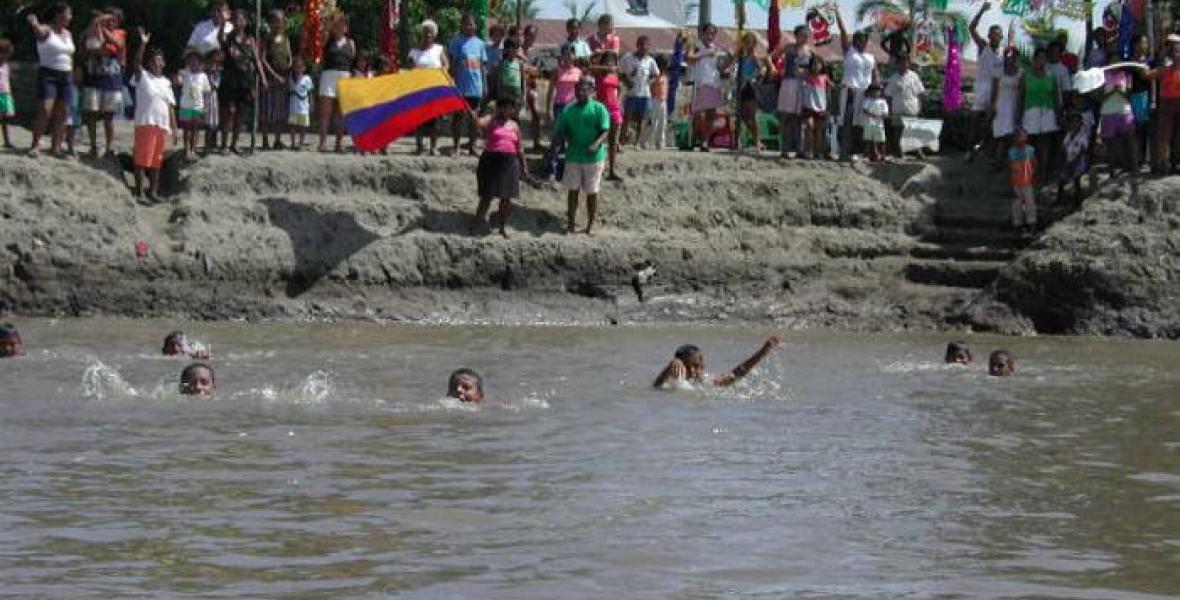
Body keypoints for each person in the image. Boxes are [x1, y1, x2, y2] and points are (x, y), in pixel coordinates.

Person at [556, 76, 610, 234]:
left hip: (594, 158)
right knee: (573, 191)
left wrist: (596, 143)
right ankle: (571, 223)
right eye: (578, 89)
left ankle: (590, 225)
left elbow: (605, 130)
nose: (581, 92)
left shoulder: (599, 109)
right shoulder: (568, 110)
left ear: (592, 91)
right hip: (573, 156)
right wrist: (562, 142)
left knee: (592, 192)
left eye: (584, 89)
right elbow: (562, 130)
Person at [131, 27, 176, 203]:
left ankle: (153, 191)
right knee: (142, 159)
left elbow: (171, 106)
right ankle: (139, 191)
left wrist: (174, 128)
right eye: (154, 60)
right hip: (145, 122)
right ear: (149, 63)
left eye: (160, 60)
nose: (157, 63)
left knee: (157, 161)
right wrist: (142, 44)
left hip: (162, 125)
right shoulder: (143, 77)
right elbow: (136, 64)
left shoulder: (166, 82)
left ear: (164, 63)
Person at [26, 3, 75, 159]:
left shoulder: (68, 34)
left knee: (63, 112)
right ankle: (35, 145)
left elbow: (70, 54)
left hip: (66, 74)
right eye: (68, 14)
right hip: (48, 74)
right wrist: (34, 23)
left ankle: (56, 147)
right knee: (45, 109)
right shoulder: (47, 30)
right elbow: (39, 33)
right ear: (59, 15)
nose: (70, 17)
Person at [472, 98, 525, 237]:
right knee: (487, 195)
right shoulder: (492, 120)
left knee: (506, 198)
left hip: (510, 163)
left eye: (510, 108)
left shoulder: (515, 126)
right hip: (491, 161)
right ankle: (478, 223)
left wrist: (524, 166)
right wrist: (474, 116)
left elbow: (519, 148)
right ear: (499, 108)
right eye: (504, 107)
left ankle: (502, 226)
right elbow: (478, 122)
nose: (507, 111)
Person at [652, 335, 783, 389]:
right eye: (693, 366)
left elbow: (735, 374)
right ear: (680, 365)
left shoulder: (702, 380)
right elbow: (656, 386)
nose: (697, 369)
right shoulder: (671, 380)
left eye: (700, 365)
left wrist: (763, 351)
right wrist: (670, 366)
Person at [80, 8, 125, 159]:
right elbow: (85, 49)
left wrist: (103, 29)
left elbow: (117, 44)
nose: (111, 22)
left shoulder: (120, 33)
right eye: (108, 20)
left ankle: (109, 147)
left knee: (109, 116)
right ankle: (93, 146)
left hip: (111, 79)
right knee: (91, 113)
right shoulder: (92, 31)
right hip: (93, 77)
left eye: (114, 20)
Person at [834, 8, 877, 160]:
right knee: (847, 121)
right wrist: (837, 13)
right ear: (854, 41)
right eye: (859, 40)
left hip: (866, 92)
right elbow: (843, 31)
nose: (862, 43)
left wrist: (878, 91)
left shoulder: (871, 57)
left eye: (864, 40)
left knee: (864, 123)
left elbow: (875, 75)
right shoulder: (849, 51)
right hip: (851, 90)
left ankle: (862, 152)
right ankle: (844, 153)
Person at [218, 10, 263, 155]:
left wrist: (263, 77)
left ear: (245, 22)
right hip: (231, 80)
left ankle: (234, 144)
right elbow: (220, 38)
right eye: (236, 19)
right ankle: (224, 144)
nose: (239, 22)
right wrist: (223, 24)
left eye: (241, 20)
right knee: (229, 113)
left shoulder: (250, 39)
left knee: (241, 114)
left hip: (246, 81)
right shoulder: (228, 38)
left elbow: (256, 60)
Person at [1097, 55, 1140, 195]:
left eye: (1117, 61)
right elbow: (1099, 96)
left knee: (1130, 140)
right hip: (1108, 112)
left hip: (1124, 111)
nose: (1114, 64)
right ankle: (1112, 171)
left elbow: (1129, 94)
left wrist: (1119, 90)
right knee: (1111, 144)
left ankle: (1134, 168)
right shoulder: (1102, 76)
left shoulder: (1126, 75)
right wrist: (1111, 92)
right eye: (1112, 61)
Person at [1016, 47, 1060, 185]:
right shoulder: (1025, 76)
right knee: (1029, 144)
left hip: (1047, 113)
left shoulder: (1052, 76)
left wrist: (1059, 114)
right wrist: (1018, 116)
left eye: (1044, 58)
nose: (1041, 61)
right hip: (1030, 113)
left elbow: (1057, 97)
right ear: (1034, 60)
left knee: (1045, 144)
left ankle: (1043, 173)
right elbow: (1020, 97)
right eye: (1039, 58)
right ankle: (1028, 173)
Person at [967, 2, 1004, 162]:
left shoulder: (1004, 53)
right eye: (993, 33)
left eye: (998, 34)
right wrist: (982, 11)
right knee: (975, 120)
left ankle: (986, 150)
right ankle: (969, 150)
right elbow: (972, 28)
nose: (995, 36)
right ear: (989, 36)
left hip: (998, 90)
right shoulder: (983, 46)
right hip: (982, 89)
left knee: (993, 122)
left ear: (1001, 36)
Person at [449, 12, 487, 157]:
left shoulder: (480, 44)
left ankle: (472, 146)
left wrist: (485, 85)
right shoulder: (456, 42)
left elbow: (483, 67)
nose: (469, 26)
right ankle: (456, 147)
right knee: (458, 118)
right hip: (460, 87)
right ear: (461, 25)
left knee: (474, 119)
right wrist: (451, 82)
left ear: (475, 26)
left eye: (471, 24)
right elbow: (452, 65)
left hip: (476, 87)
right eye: (466, 24)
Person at [687, 23, 729, 152]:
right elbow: (689, 58)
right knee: (698, 114)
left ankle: (705, 142)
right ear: (702, 33)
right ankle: (693, 139)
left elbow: (719, 67)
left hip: (713, 83)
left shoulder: (714, 48)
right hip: (700, 83)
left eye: (713, 34)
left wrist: (730, 59)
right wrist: (705, 53)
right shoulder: (696, 45)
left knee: (711, 114)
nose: (710, 36)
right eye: (708, 33)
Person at [316, 12, 355, 153]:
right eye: (338, 23)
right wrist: (330, 22)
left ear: (346, 27)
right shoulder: (327, 39)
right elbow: (321, 38)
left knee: (341, 113)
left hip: (344, 76)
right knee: (325, 112)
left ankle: (339, 143)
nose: (340, 26)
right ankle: (323, 142)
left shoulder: (351, 43)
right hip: (329, 75)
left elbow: (353, 61)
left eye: (343, 23)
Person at [409, 19, 448, 156]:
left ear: (434, 34)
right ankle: (419, 146)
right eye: (425, 32)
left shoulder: (439, 49)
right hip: (419, 90)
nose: (427, 35)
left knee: (435, 119)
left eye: (430, 32)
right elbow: (410, 70)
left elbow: (446, 67)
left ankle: (433, 147)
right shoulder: (414, 51)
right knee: (418, 119)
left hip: (435, 91)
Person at [544, 45, 583, 180]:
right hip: (559, 106)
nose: (567, 57)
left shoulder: (578, 72)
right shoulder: (557, 71)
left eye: (570, 55)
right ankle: (551, 170)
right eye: (565, 55)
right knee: (556, 138)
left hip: (573, 108)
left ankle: (569, 170)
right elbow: (550, 91)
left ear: (574, 56)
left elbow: (582, 91)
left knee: (572, 139)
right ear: (561, 56)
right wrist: (548, 109)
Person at [774, 25, 812, 159]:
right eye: (802, 35)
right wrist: (775, 70)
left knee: (800, 118)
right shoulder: (789, 47)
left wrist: (806, 72)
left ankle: (800, 149)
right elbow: (771, 56)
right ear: (796, 35)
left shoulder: (809, 51)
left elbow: (813, 68)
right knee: (786, 116)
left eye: (807, 35)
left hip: (803, 85)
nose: (805, 38)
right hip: (789, 83)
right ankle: (784, 149)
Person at [619, 35, 659, 149]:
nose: (644, 47)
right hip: (631, 93)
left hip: (645, 93)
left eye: (646, 45)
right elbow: (619, 70)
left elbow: (656, 74)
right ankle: (621, 142)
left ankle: (637, 142)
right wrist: (626, 80)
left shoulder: (650, 60)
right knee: (627, 118)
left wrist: (650, 81)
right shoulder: (628, 57)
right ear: (637, 45)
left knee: (642, 119)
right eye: (641, 45)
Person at [260, 8, 292, 150]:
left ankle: (278, 139)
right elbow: (263, 59)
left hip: (284, 78)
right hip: (271, 78)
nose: (279, 24)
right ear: (271, 23)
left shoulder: (285, 37)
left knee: (280, 110)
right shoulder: (267, 38)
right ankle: (265, 140)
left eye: (281, 21)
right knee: (267, 110)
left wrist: (290, 65)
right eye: (276, 21)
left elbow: (289, 54)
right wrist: (274, 75)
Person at [1148, 37, 1180, 174]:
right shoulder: (1164, 68)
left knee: (1178, 136)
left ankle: (1175, 163)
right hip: (1166, 103)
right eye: (1174, 51)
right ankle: (1163, 164)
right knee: (1164, 136)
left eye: (1178, 50)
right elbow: (1148, 75)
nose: (1176, 54)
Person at [590, 51, 623, 181]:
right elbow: (589, 66)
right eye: (607, 60)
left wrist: (618, 101)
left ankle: (612, 170)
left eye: (612, 61)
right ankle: (599, 168)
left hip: (614, 110)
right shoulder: (599, 74)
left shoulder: (614, 75)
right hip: (602, 110)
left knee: (613, 142)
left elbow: (619, 88)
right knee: (600, 140)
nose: (610, 63)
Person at [884, 54, 925, 158]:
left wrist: (920, 106)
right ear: (897, 65)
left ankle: (918, 151)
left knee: (913, 131)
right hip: (897, 108)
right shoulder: (893, 79)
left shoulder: (914, 76)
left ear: (908, 64)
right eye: (901, 63)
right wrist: (888, 110)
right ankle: (899, 152)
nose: (903, 66)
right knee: (898, 131)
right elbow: (888, 96)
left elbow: (920, 92)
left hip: (911, 108)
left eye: (905, 63)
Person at [990, 47, 1022, 169]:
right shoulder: (998, 71)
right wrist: (992, 106)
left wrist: (1019, 110)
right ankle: (997, 162)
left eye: (1014, 57)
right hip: (1000, 106)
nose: (1011, 59)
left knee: (1011, 136)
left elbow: (1021, 92)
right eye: (1008, 57)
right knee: (1000, 136)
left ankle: (1011, 165)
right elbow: (994, 91)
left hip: (1014, 106)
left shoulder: (1021, 73)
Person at [734, 31, 765, 153]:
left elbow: (761, 71)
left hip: (750, 86)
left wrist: (751, 77)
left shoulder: (754, 57)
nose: (748, 45)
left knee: (751, 114)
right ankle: (749, 139)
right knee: (742, 115)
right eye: (746, 43)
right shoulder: (741, 57)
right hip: (740, 86)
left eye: (750, 43)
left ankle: (757, 140)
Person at [177, 50, 211, 160]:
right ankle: (186, 149)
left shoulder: (203, 76)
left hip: (198, 106)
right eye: (190, 60)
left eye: (196, 61)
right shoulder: (184, 73)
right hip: (185, 105)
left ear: (200, 62)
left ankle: (193, 149)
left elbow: (206, 92)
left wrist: (205, 107)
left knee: (195, 128)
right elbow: (177, 81)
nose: (193, 63)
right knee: (186, 129)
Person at [1007, 127, 1037, 235]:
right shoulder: (1011, 151)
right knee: (1016, 205)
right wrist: (1010, 184)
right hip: (1015, 182)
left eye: (1023, 136)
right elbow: (1009, 168)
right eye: (1018, 136)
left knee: (1030, 204)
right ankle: (1017, 226)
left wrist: (1034, 178)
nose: (1021, 139)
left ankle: (1032, 225)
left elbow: (1034, 165)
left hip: (1028, 182)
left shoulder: (1030, 150)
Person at [801, 54, 830, 159]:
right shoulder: (807, 76)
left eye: (818, 64)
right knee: (809, 126)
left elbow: (831, 88)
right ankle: (808, 150)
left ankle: (818, 151)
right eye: (814, 64)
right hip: (809, 106)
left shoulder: (824, 78)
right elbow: (797, 71)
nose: (816, 67)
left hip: (821, 106)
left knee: (819, 130)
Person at [639, 54, 669, 150]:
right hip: (654, 100)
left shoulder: (664, 75)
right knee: (652, 121)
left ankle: (660, 141)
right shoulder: (654, 75)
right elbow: (650, 86)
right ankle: (645, 141)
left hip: (663, 100)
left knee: (662, 122)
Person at [1057, 112, 1088, 206]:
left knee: (1076, 180)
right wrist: (1064, 161)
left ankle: (1078, 202)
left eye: (1077, 122)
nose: (1075, 124)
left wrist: (1074, 162)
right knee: (1061, 181)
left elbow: (1082, 151)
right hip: (1069, 161)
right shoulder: (1068, 135)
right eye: (1073, 122)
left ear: (1081, 123)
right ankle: (1059, 200)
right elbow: (1063, 148)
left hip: (1079, 161)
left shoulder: (1083, 135)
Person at [490, 37, 524, 108]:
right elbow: (499, 78)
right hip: (505, 90)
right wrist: (499, 92)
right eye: (508, 48)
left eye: (513, 48)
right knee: (505, 108)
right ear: (505, 50)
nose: (511, 50)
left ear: (516, 50)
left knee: (515, 109)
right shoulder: (502, 63)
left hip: (516, 90)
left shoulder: (519, 64)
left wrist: (523, 95)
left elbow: (522, 80)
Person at [287, 56, 312, 150]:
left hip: (304, 108)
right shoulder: (291, 79)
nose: (298, 69)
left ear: (304, 68)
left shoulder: (307, 79)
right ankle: (293, 143)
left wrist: (311, 104)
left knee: (303, 126)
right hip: (293, 107)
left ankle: (300, 143)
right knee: (292, 126)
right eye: (296, 67)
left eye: (300, 67)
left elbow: (310, 92)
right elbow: (288, 91)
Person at [203, 49, 223, 155]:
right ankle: (207, 144)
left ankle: (212, 143)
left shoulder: (217, 73)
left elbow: (215, 86)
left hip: (213, 97)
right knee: (207, 121)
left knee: (213, 121)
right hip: (205, 97)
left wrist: (211, 74)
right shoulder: (204, 72)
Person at [862, 83, 888, 162]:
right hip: (869, 123)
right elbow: (864, 110)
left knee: (882, 140)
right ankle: (868, 156)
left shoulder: (883, 101)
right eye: (874, 91)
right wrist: (872, 115)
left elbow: (886, 112)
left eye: (878, 91)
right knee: (868, 140)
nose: (876, 93)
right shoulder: (867, 100)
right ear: (870, 92)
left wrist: (883, 115)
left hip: (879, 124)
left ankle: (883, 155)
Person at [0, 39, 14, 150]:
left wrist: (9, 94)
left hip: (5, 93)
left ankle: (7, 140)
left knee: (6, 118)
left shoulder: (6, 65)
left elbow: (7, 80)